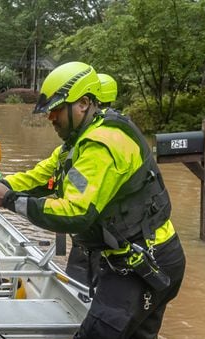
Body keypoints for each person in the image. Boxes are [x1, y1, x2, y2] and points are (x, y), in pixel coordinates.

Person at [0, 62, 185, 339]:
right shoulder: (82, 141)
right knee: (139, 338)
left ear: (85, 103)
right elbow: (43, 177)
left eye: (57, 111)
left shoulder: (102, 145)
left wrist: (9, 200)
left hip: (141, 264)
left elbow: (75, 212)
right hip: (156, 258)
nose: (52, 119)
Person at [64, 72, 118, 287]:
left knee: (83, 282)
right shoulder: (84, 141)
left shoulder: (98, 141)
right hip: (91, 236)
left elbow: (84, 189)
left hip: (99, 237)